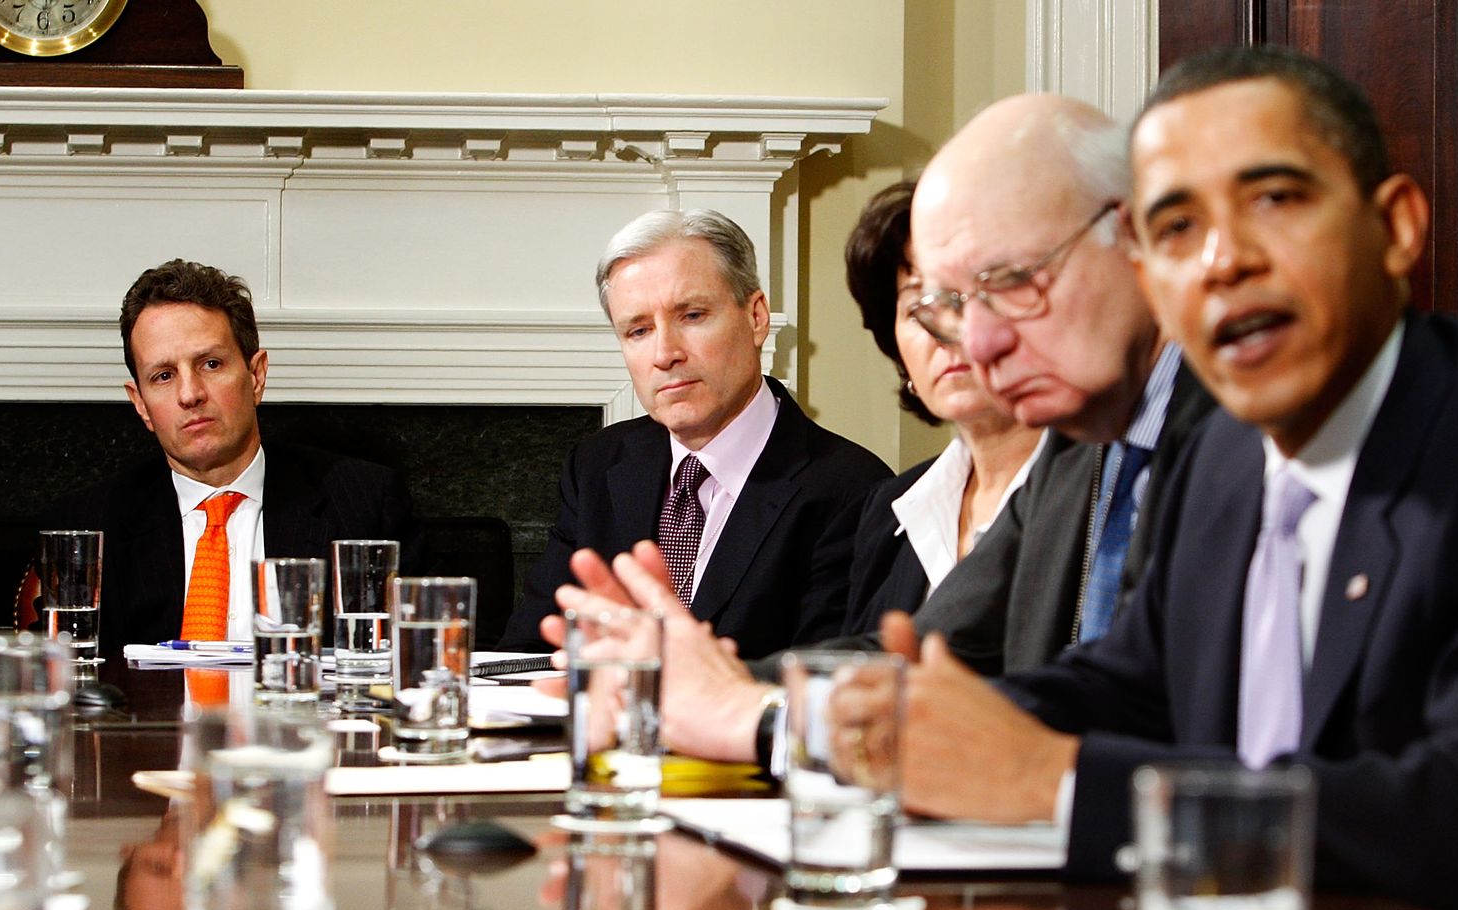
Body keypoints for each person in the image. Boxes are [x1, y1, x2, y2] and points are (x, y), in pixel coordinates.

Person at [891, 45, 1458, 910]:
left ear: (1396, 226)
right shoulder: (1226, 459)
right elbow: (1133, 687)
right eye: (1177, 226)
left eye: (1274, 199)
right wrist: (914, 724)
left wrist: (1056, 782)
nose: (1224, 258)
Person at [543, 96, 1215, 768]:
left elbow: (1142, 719)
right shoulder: (1082, 447)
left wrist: (758, 715)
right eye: (935, 306)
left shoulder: (1237, 434)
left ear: (1135, 239)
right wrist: (705, 684)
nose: (973, 340)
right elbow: (939, 648)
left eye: (1011, 281)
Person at [495, 209, 892, 659]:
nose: (665, 354)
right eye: (639, 330)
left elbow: (827, 688)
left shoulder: (854, 491)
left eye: (693, 315)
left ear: (757, 317)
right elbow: (529, 652)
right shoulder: (598, 464)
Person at [44, 259, 414, 652]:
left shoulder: (364, 504)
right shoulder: (91, 524)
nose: (190, 394)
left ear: (256, 376)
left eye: (211, 364)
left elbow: (414, 663)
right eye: (163, 376)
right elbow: (67, 681)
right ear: (140, 404)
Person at [839, 178, 1044, 635]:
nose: (949, 332)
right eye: (919, 308)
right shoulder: (888, 508)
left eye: (975, 295)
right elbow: (864, 673)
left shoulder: (1098, 485)